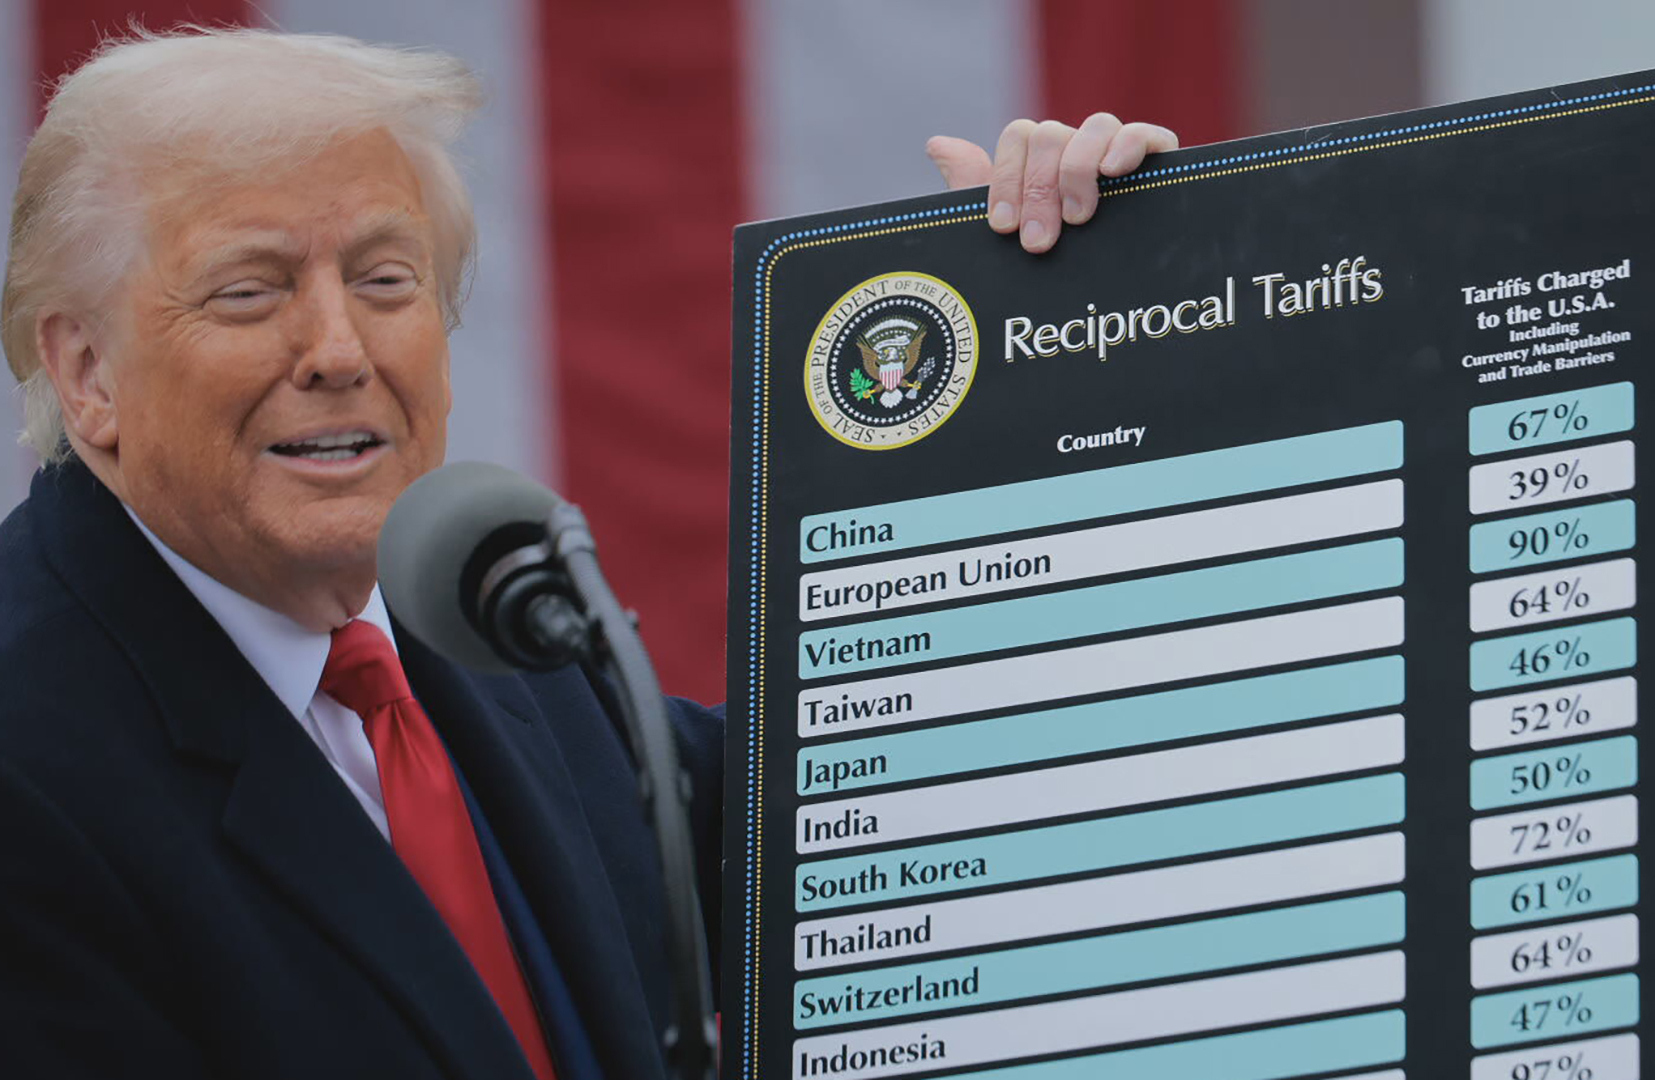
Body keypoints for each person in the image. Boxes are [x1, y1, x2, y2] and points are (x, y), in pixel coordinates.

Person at [0, 27, 1177, 1079]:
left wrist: (1052, 339)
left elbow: (874, 840)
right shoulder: (31, 774)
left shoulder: (493, 625)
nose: (340, 349)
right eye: (249, 293)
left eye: (385, 279)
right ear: (87, 372)